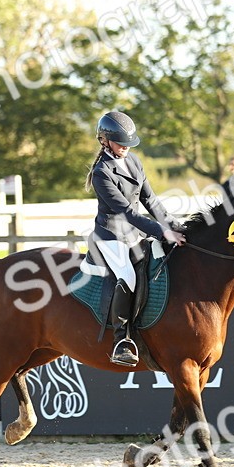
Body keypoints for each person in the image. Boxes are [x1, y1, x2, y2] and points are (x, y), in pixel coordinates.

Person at [87, 111, 186, 367]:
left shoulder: (133, 161)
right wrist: (161, 231)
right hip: (111, 235)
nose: (125, 148)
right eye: (120, 143)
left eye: (128, 144)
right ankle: (121, 340)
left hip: (135, 233)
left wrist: (174, 225)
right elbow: (127, 213)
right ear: (104, 141)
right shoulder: (101, 173)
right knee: (128, 276)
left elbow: (150, 200)